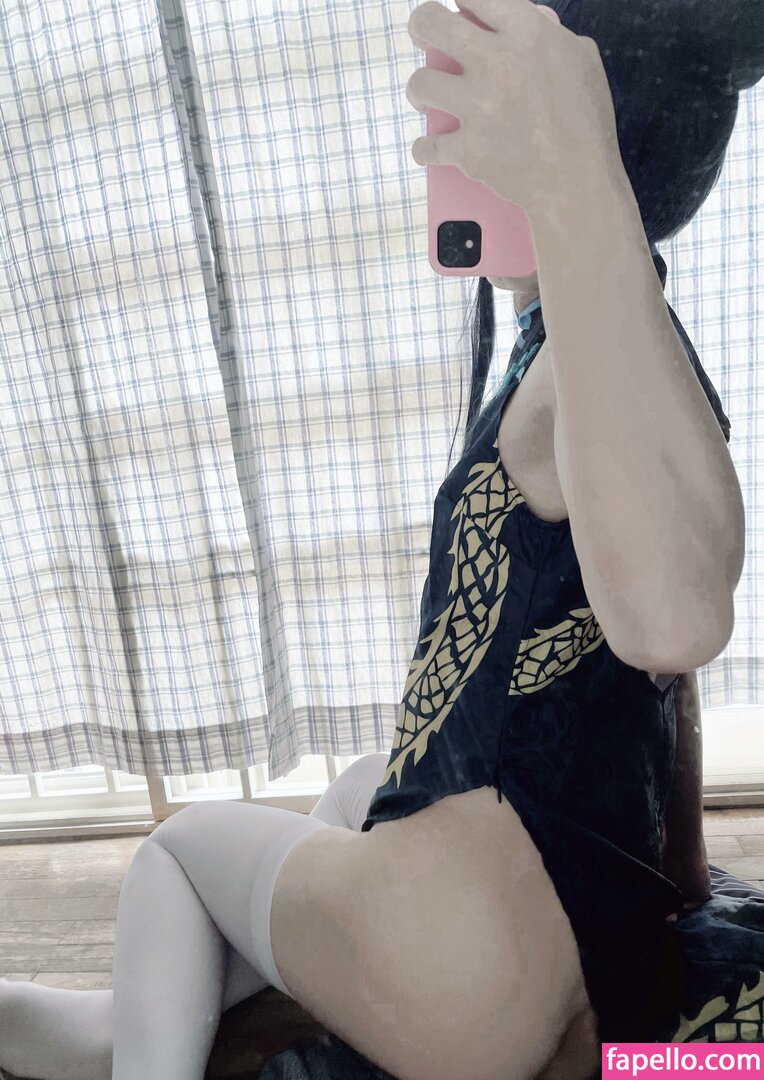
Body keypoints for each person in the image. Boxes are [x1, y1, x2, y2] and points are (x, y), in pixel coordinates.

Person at [2, 0, 763, 1078]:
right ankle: (168, 1014)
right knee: (362, 785)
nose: (436, 161)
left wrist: (572, 175)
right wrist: (678, 876)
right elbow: (660, 688)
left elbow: (672, 622)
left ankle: (155, 1040)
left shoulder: (577, 373)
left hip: (472, 964)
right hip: (571, 924)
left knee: (181, 850)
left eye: (464, 133)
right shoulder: (615, 358)